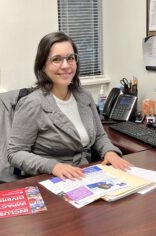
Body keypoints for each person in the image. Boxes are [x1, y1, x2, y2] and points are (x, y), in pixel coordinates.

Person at [8, 31, 132, 181]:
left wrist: (109, 152)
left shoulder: (84, 96)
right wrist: (54, 166)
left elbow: (99, 136)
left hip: (86, 175)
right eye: (56, 59)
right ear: (42, 66)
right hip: (50, 179)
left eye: (70, 58)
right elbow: (15, 153)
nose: (66, 65)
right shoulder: (32, 104)